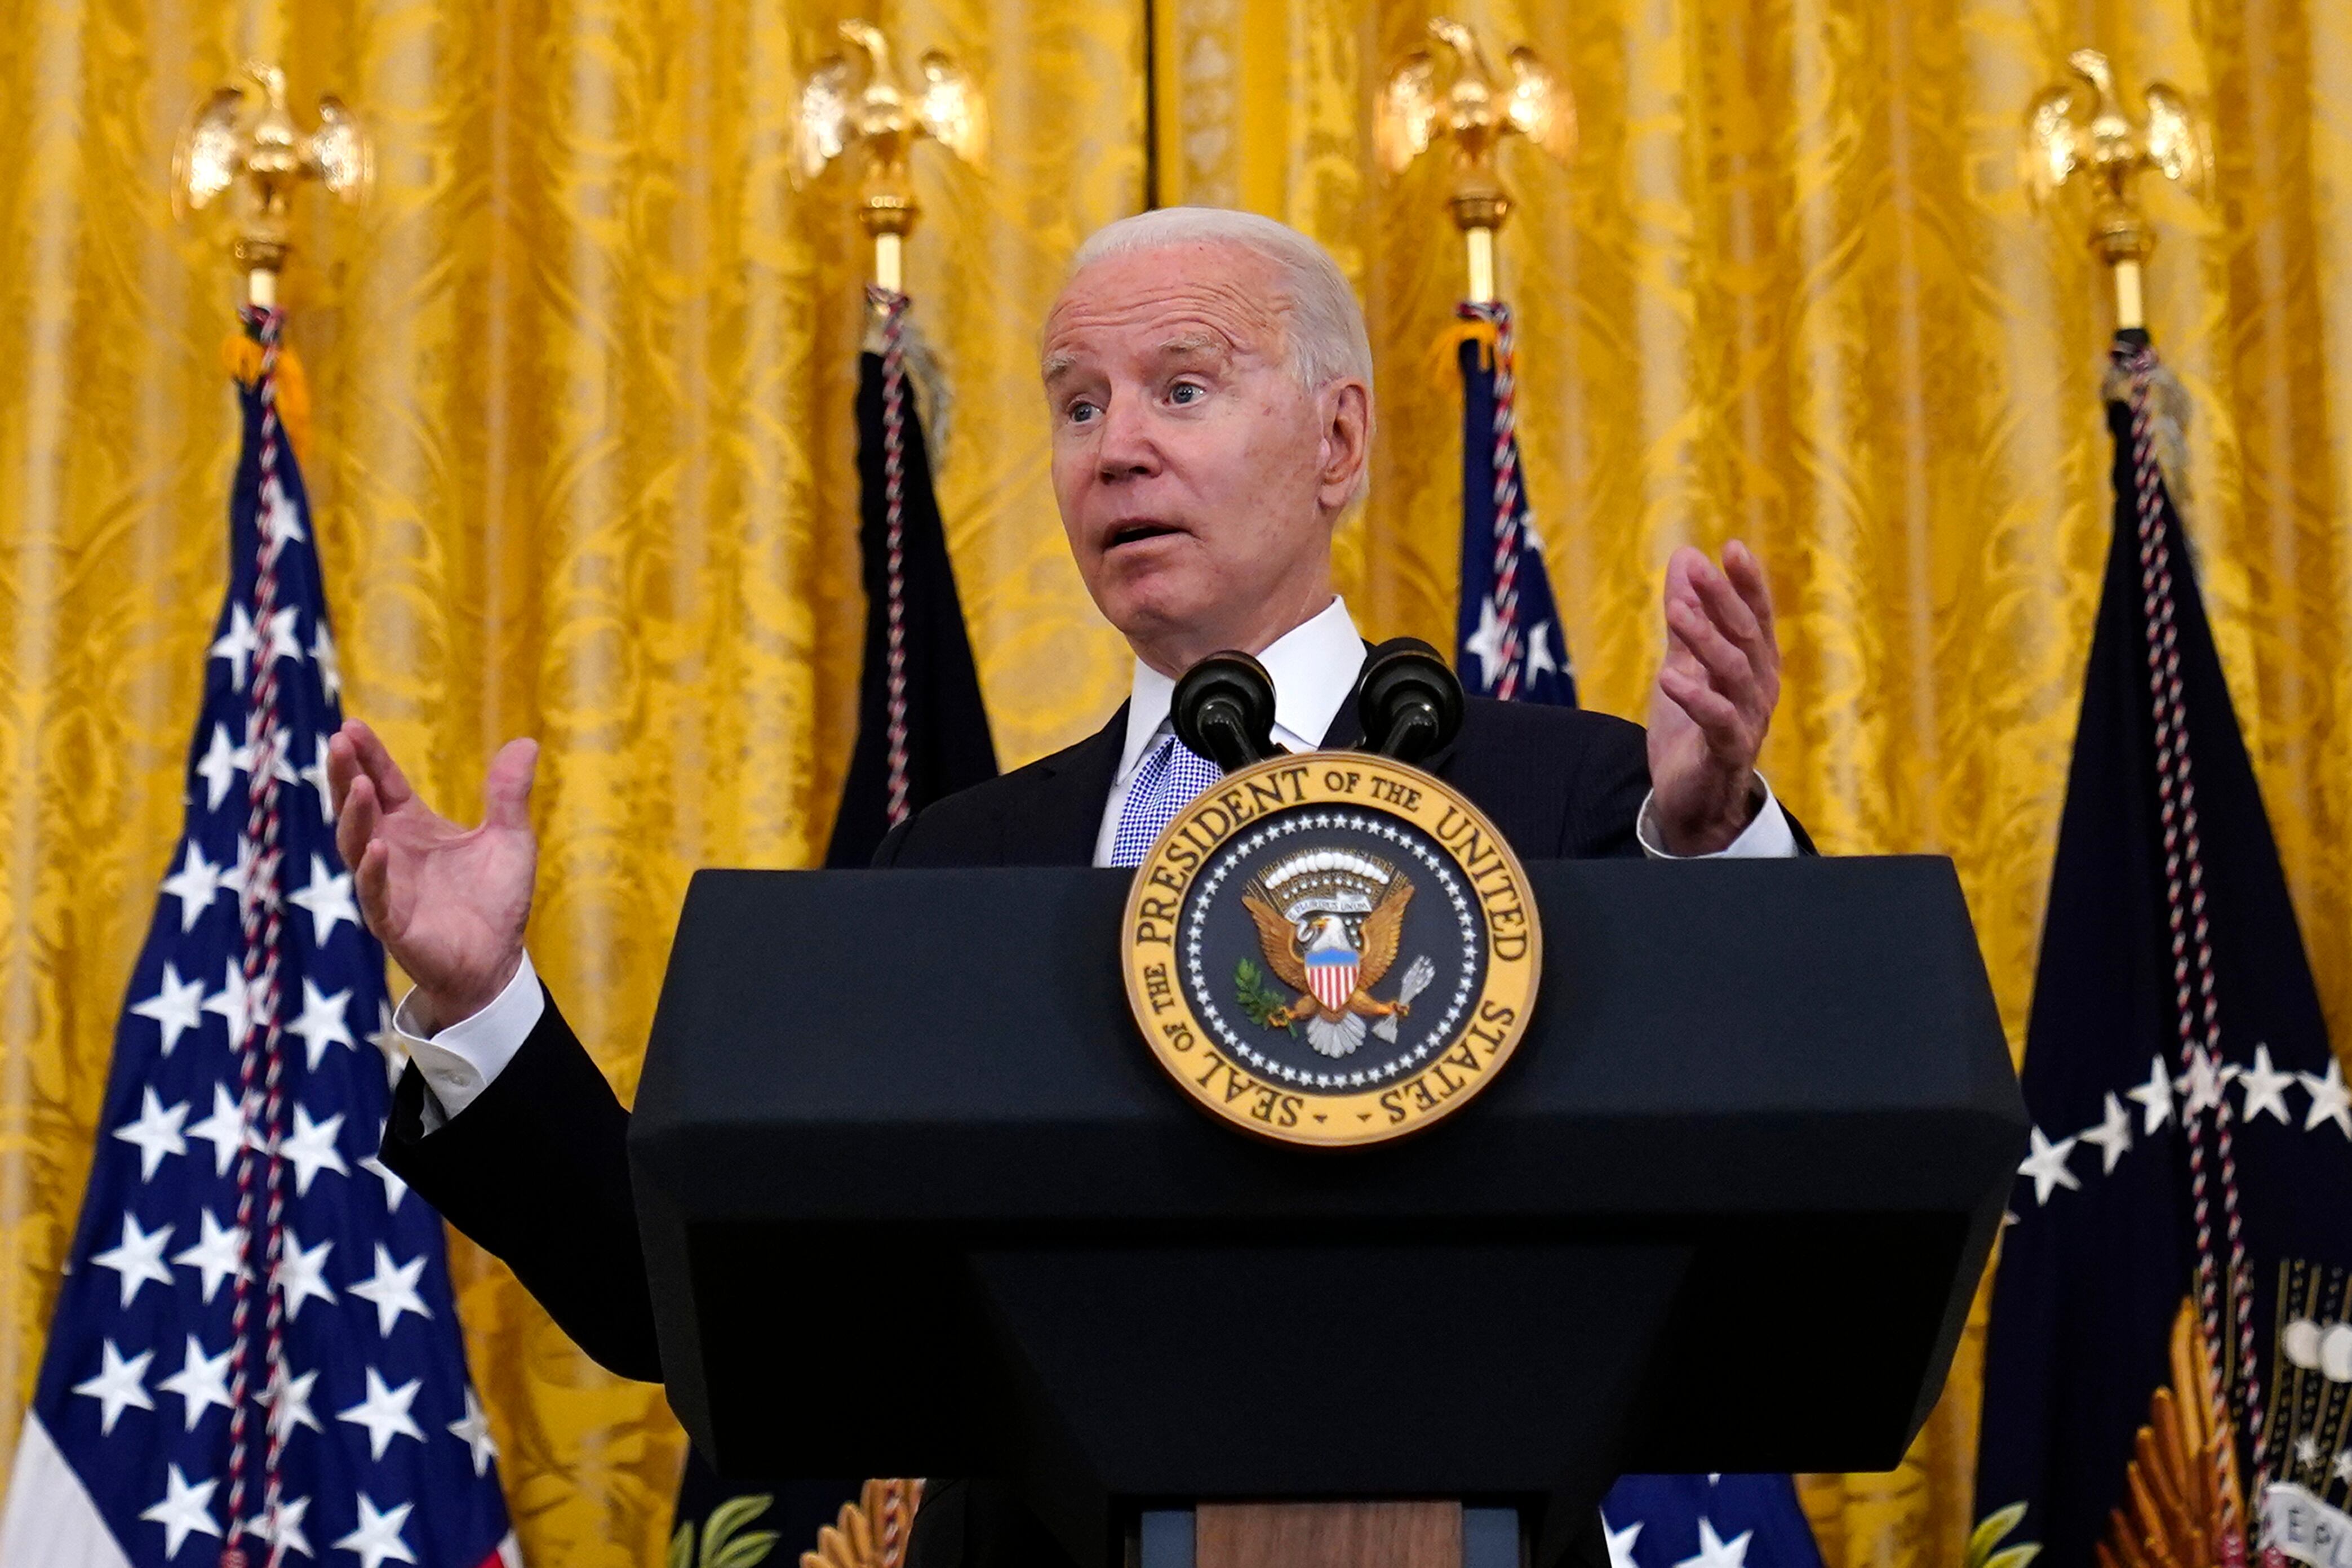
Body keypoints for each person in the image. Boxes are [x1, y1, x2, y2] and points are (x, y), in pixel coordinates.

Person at [331, 207, 1804, 1568]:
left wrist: (1709, 837)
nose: (1115, 452)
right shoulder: (957, 866)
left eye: (1181, 387)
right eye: (1077, 404)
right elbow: (695, 1304)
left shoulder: (1573, 799)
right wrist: (482, 1003)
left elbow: (1767, 1146)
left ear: (1339, 441)